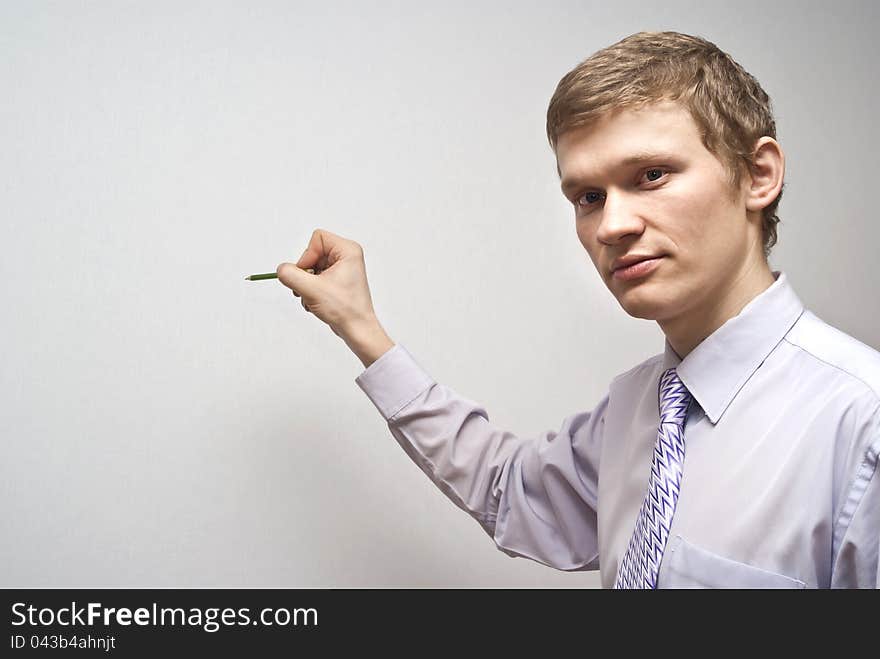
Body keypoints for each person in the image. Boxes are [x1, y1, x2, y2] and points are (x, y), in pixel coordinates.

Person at [274, 31, 880, 588]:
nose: (612, 225)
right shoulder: (636, 410)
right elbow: (510, 489)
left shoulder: (862, 429)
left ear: (757, 175)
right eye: (588, 197)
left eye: (651, 175)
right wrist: (360, 326)